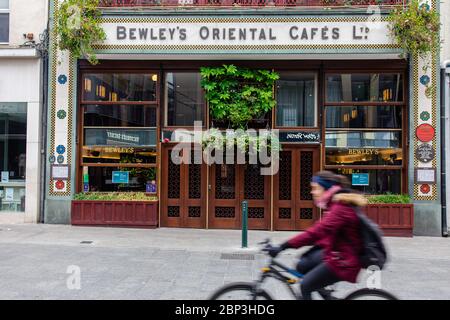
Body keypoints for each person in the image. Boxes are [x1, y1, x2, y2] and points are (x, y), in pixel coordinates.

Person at [268, 170, 368, 300]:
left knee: (305, 285)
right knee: (302, 266)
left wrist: (283, 246)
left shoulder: (339, 208)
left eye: (315, 188)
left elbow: (316, 232)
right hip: (338, 254)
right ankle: (327, 296)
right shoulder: (334, 204)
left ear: (326, 188)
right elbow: (324, 235)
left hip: (344, 261)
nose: (312, 192)